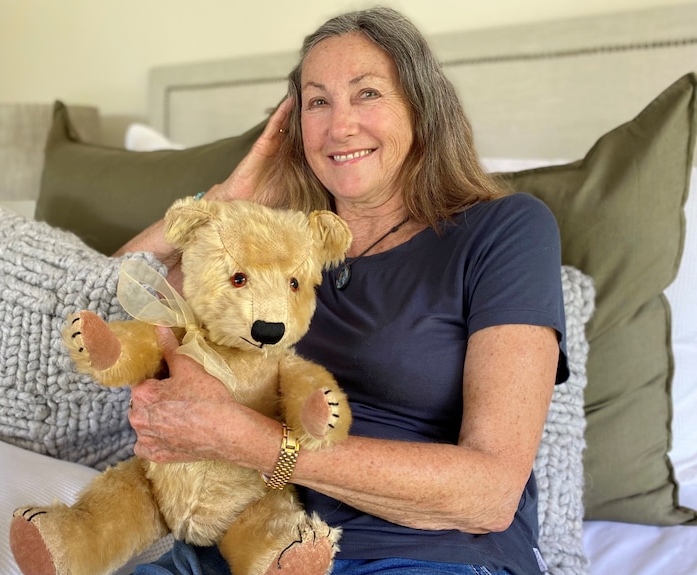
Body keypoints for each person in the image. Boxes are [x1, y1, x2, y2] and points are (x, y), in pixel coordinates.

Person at [118, 6, 568, 575]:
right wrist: (223, 201)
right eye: (318, 101)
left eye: (368, 94)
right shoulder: (274, 244)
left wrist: (256, 443)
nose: (340, 126)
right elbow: (119, 298)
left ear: (422, 108)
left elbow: (491, 493)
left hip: (424, 555)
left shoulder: (506, 230)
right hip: (248, 546)